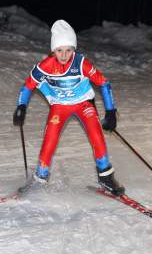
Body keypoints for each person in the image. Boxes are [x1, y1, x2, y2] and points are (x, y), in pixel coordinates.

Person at [13, 20, 125, 196]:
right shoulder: (44, 67)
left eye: (68, 50)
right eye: (59, 50)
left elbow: (104, 83)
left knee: (97, 135)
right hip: (60, 107)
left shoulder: (81, 64)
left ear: (74, 49)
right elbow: (27, 87)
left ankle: (106, 178)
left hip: (83, 104)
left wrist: (110, 111)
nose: (64, 55)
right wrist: (21, 106)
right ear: (53, 50)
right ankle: (40, 178)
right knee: (50, 139)